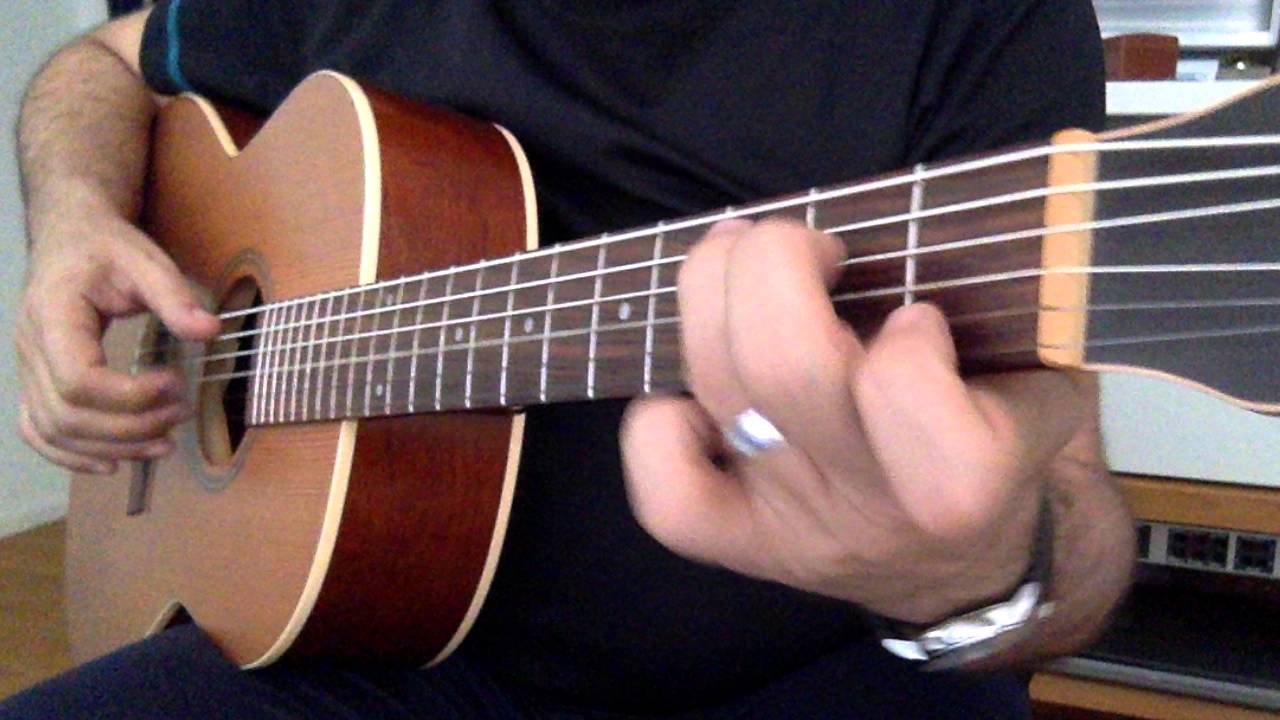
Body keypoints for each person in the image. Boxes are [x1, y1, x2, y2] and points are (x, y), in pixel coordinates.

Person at [6, 2, 1135, 718]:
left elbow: (1073, 513)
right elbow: (104, 62)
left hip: (804, 672)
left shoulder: (982, 19)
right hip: (351, 651)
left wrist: (967, 575)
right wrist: (71, 222)